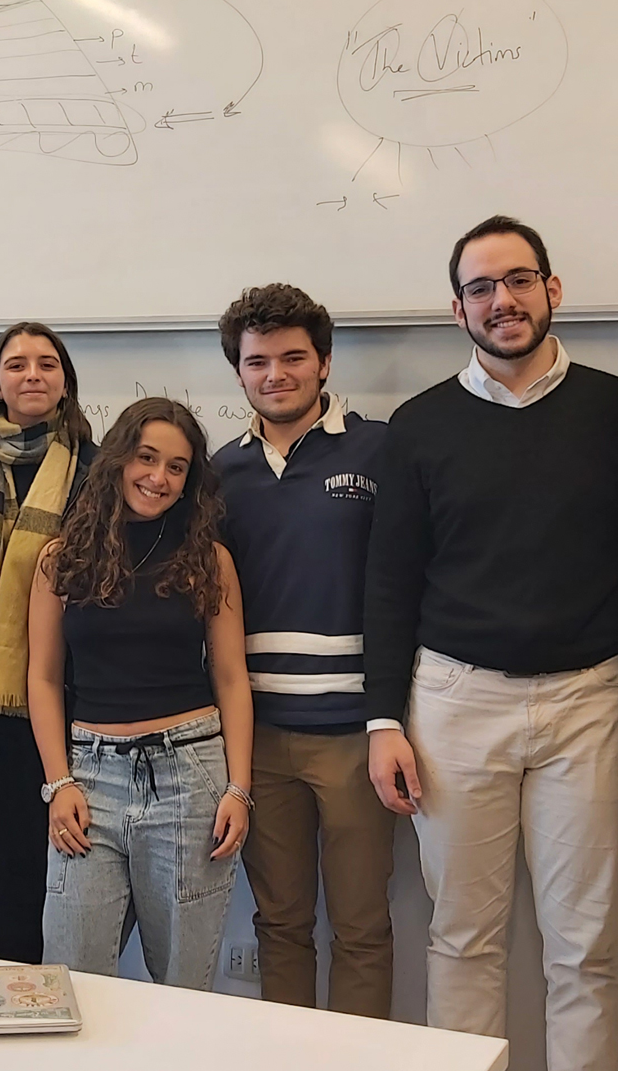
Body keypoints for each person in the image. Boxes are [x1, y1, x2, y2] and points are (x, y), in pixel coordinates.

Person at [362, 216, 618, 1071]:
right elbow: (390, 581)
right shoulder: (417, 427)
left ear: (552, 290)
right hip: (456, 702)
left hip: (592, 700)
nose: (504, 301)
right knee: (461, 940)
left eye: (520, 280)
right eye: (482, 288)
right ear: (457, 309)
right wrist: (384, 718)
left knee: (591, 948)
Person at [211, 285, 395, 1015]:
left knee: (362, 927)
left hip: (357, 736)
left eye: (293, 357)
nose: (276, 373)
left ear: (323, 363)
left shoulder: (381, 448)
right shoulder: (218, 471)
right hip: (257, 740)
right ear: (240, 373)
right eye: (258, 361)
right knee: (279, 924)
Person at [28, 397, 254, 990]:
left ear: (189, 480)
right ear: (117, 459)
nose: (158, 477)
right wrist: (59, 783)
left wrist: (239, 787)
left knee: (182, 984)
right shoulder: (61, 557)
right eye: (146, 458)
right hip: (88, 779)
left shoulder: (209, 560)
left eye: (176, 467)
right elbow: (44, 679)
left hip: (190, 774)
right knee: (70, 979)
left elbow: (232, 678)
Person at [0, 321, 98, 965]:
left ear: (65, 381)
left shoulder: (99, 473)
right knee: (1, 886)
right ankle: (3, 1021)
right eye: (16, 364)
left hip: (74, 710)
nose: (32, 374)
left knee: (72, 887)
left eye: (46, 364)